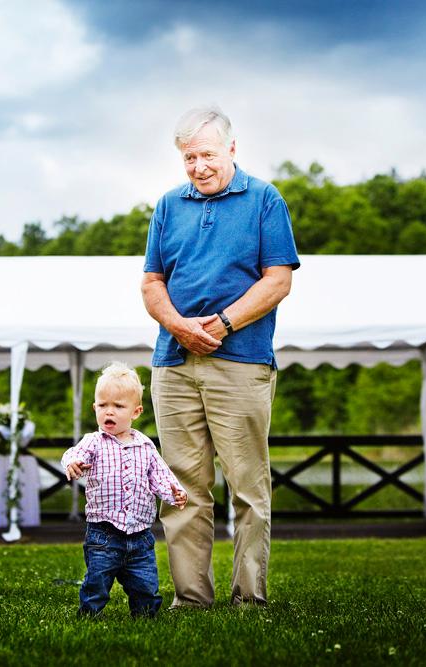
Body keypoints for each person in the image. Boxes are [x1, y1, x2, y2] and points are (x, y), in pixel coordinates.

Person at [141, 105, 300, 608]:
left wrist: (224, 324)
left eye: (207, 154)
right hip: (173, 363)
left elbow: (278, 280)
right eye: (189, 157)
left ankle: (249, 598)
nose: (198, 166)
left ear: (231, 149)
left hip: (242, 359)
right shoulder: (168, 206)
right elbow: (151, 283)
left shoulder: (265, 200)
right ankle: (191, 599)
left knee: (247, 485)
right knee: (184, 486)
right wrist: (177, 325)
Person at [61, 361, 188, 617]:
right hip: (103, 533)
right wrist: (72, 464)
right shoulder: (93, 442)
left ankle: (145, 616)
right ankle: (90, 613)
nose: (109, 412)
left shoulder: (145, 445)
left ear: (136, 411)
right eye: (103, 405)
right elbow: (73, 454)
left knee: (145, 584)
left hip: (140, 535)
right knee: (97, 582)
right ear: (94, 407)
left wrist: (174, 491)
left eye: (118, 406)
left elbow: (159, 475)